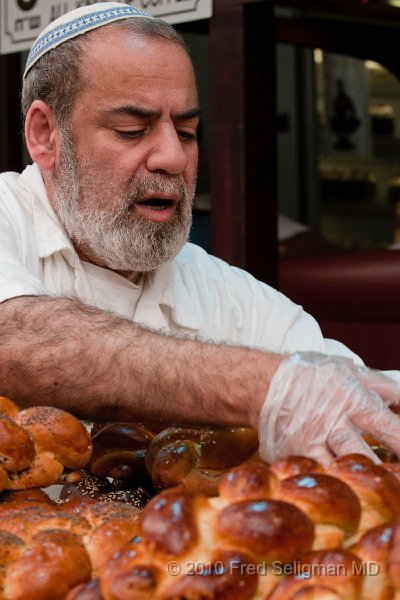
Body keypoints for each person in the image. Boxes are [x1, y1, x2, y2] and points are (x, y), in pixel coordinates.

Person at [0, 2, 399, 467]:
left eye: (187, 132)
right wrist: (260, 387)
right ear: (45, 135)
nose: (173, 158)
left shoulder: (227, 295)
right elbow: (15, 340)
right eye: (132, 130)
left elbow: (353, 393)